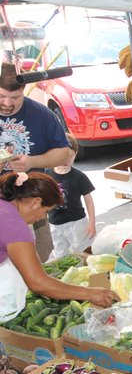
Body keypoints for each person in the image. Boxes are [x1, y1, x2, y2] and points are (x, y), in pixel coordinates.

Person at [0, 171, 118, 311]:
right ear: (35, 202)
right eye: (46, 211)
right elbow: (37, 283)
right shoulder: (15, 226)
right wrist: (89, 293)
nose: (43, 217)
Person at [0, 63, 72, 263]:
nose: (7, 103)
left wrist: (32, 161)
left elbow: (64, 153)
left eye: (15, 98)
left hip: (32, 204)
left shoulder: (41, 115)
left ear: (24, 90)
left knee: (36, 257)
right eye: (1, 96)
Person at [44, 134, 95, 260]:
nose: (66, 160)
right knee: (60, 255)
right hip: (55, 224)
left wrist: (92, 223)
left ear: (76, 154)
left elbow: (88, 200)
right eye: (62, 156)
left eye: (70, 156)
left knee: (84, 252)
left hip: (77, 222)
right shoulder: (47, 174)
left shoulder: (79, 176)